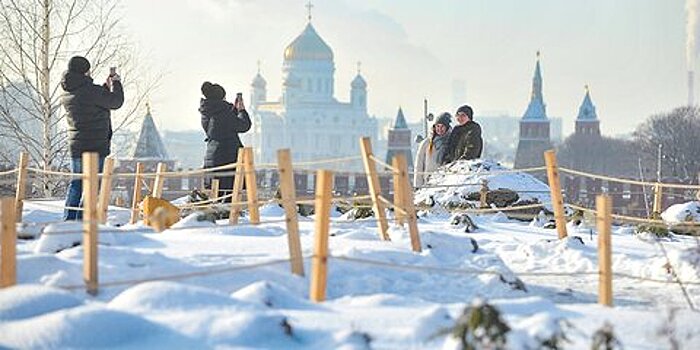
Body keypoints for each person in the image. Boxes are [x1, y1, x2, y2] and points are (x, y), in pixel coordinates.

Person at [61, 56, 124, 220]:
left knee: (77, 183)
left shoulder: (69, 91)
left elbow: (91, 101)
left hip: (76, 146)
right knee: (93, 185)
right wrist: (116, 83)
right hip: (95, 146)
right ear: (85, 71)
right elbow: (116, 102)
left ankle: (69, 219)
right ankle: (82, 220)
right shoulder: (91, 91)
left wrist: (104, 87)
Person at [200, 82, 251, 199]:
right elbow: (244, 125)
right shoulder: (223, 114)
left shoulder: (207, 113)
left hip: (212, 158)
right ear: (221, 98)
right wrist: (241, 111)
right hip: (227, 159)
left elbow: (222, 128)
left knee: (216, 196)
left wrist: (232, 111)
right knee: (227, 197)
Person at [414, 112, 452, 187]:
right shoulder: (426, 143)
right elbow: (419, 165)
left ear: (447, 127)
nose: (439, 129)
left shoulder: (451, 142)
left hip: (445, 182)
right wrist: (418, 186)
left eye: (442, 126)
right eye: (438, 126)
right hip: (428, 182)